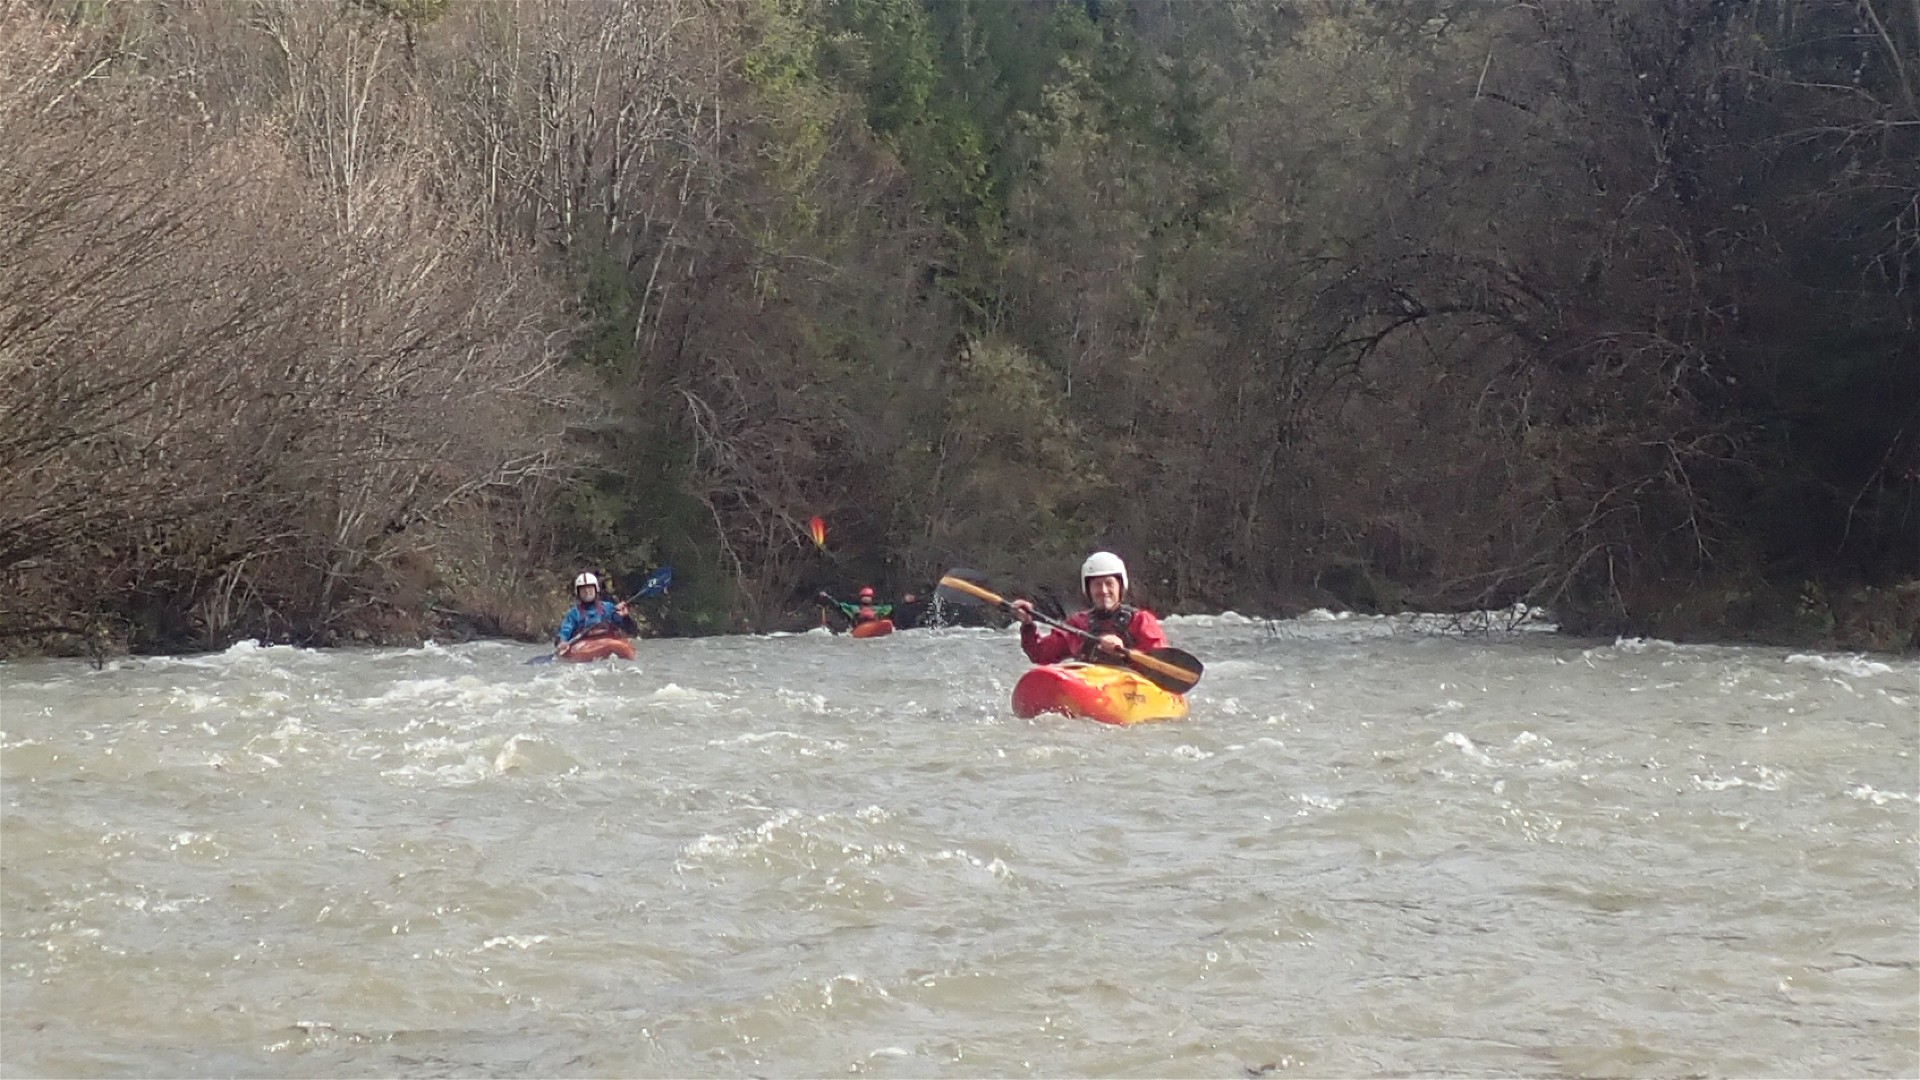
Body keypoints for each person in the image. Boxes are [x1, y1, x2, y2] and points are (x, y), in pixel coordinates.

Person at [1010, 551, 1168, 665]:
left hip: (1131, 691)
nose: (1104, 591)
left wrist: (1124, 652)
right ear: (1089, 589)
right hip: (1091, 686)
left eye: (1109, 584)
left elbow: (1160, 664)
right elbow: (1040, 654)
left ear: (1120, 587)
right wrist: (1028, 625)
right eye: (1097, 585)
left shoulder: (1141, 621)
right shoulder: (1077, 624)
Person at [555, 572, 637, 654]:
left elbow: (630, 631)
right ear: (578, 592)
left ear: (596, 589)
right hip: (585, 648)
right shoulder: (574, 614)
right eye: (583, 589)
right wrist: (561, 642)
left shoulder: (609, 608)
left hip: (609, 643)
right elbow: (564, 632)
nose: (587, 592)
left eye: (590, 588)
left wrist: (625, 617)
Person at [823, 585, 893, 627]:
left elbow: (891, 608)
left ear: (872, 598)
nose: (866, 598)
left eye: (868, 596)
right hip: (858, 628)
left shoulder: (878, 608)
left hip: (873, 625)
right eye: (864, 596)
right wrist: (828, 597)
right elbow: (838, 605)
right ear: (860, 597)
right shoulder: (854, 608)